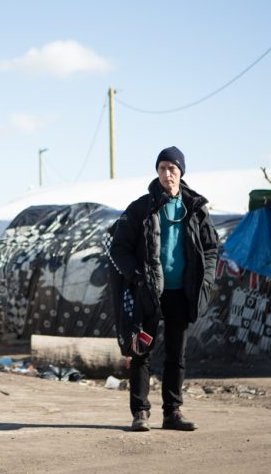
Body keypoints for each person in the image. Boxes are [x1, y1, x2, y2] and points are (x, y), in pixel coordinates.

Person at [107, 147, 218, 432]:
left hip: (181, 292)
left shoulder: (195, 208)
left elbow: (210, 248)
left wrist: (205, 280)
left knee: (176, 355)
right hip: (148, 292)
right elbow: (118, 248)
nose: (167, 174)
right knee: (141, 352)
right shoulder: (141, 207)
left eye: (172, 168)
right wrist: (137, 277)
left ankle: (173, 413)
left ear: (181, 172)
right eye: (162, 168)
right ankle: (140, 413)